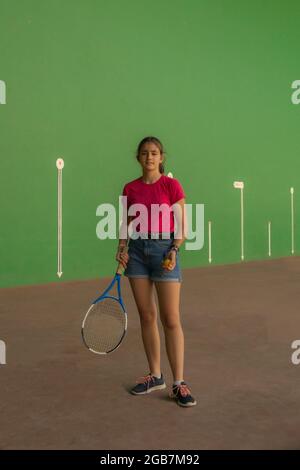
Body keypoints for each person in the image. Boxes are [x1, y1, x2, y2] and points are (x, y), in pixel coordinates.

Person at [116, 136, 196, 407]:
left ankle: (178, 383)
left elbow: (182, 227)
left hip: (164, 251)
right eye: (144, 153)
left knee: (170, 318)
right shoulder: (130, 188)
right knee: (146, 315)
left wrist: (174, 249)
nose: (149, 157)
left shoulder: (171, 185)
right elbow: (126, 222)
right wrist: (122, 247)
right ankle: (156, 375)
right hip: (137, 252)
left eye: (154, 153)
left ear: (161, 157)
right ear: (138, 158)